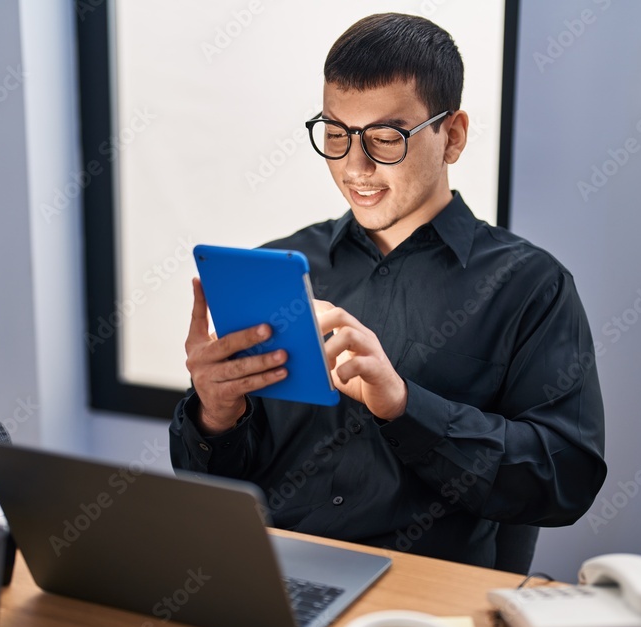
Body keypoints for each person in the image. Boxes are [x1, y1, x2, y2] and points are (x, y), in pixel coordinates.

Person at [170, 13, 606, 569]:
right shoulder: (279, 268)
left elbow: (565, 477)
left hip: (424, 607)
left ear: (453, 136)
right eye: (335, 134)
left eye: (384, 137)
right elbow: (214, 482)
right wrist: (213, 414)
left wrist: (404, 406)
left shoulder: (530, 287)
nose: (355, 166)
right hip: (274, 580)